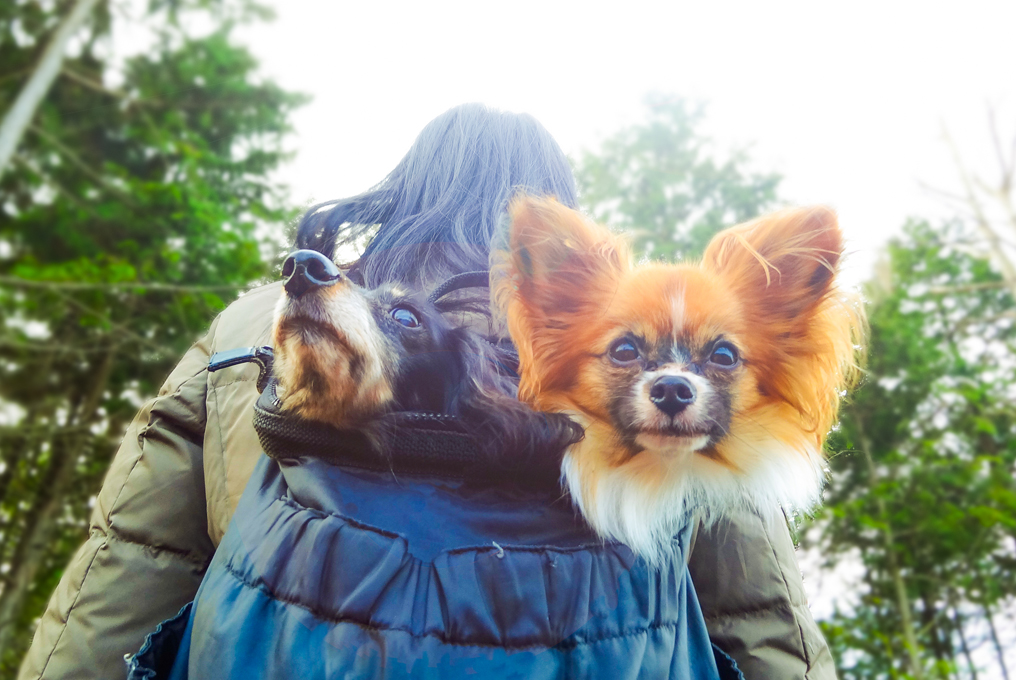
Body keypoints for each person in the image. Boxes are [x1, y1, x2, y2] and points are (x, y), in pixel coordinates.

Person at [19, 104, 835, 679]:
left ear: (403, 188)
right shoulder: (670, 369)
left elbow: (132, 558)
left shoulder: (254, 324)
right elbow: (757, 614)